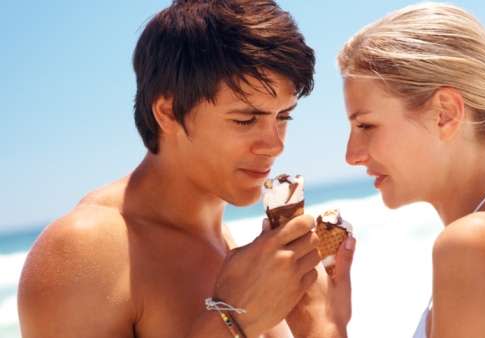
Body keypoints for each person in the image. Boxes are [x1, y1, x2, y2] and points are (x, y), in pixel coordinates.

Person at [18, 1, 355, 337]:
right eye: (245, 119)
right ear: (168, 112)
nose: (275, 144)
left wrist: (323, 325)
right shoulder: (86, 248)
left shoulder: (230, 245)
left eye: (283, 117)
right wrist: (233, 320)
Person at [337, 3, 485, 338]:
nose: (351, 155)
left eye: (367, 126)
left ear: (444, 114)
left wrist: (324, 325)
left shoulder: (473, 244)